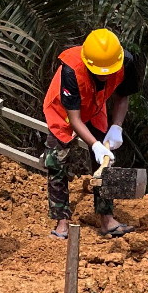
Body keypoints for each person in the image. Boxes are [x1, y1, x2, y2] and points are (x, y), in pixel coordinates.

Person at [41, 29, 140, 238]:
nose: (104, 75)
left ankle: (107, 218)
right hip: (64, 111)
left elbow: (123, 96)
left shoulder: (126, 62)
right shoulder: (71, 70)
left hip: (96, 105)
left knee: (106, 160)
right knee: (56, 161)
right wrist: (94, 144)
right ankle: (61, 222)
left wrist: (117, 126)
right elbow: (75, 119)